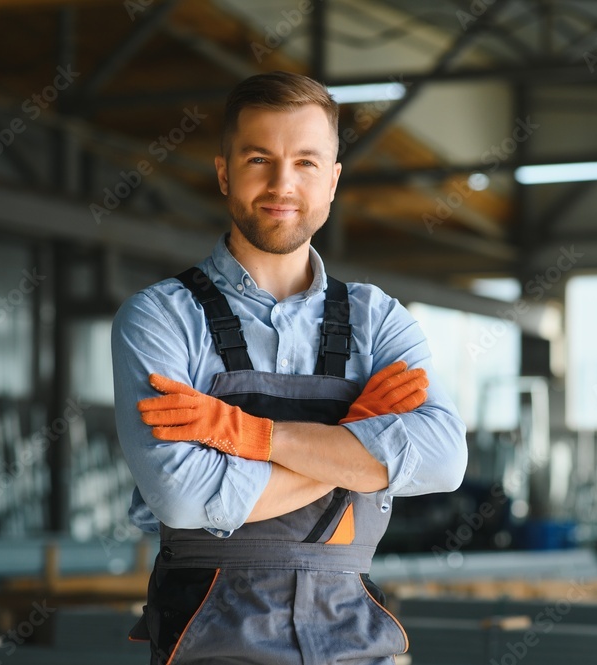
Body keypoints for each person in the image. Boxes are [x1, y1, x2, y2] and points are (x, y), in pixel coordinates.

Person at [111, 70, 468, 664]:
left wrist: (250, 437)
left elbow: (444, 459)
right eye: (259, 159)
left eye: (306, 162)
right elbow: (183, 496)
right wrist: (360, 446)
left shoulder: (378, 320)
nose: (282, 184)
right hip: (212, 637)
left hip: (356, 638)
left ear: (332, 181)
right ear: (224, 171)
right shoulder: (160, 319)